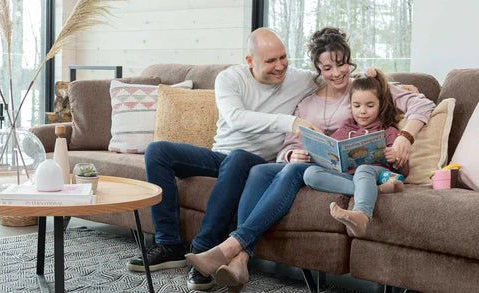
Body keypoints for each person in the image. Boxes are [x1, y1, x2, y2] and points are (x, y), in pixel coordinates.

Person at [185, 27, 435, 290]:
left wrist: (405, 136)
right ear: (317, 70)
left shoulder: (362, 90)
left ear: (350, 61)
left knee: (296, 171)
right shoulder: (306, 102)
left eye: (342, 64)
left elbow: (422, 103)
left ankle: (233, 246)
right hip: (313, 164)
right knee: (260, 171)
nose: (337, 73)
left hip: (342, 171)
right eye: (327, 68)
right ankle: (241, 259)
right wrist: (292, 154)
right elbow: (289, 144)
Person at [127, 27, 322, 291]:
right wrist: (292, 122)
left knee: (240, 158)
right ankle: (169, 244)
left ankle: (203, 252)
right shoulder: (229, 78)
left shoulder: (300, 79)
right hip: (221, 156)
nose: (280, 66)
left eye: (283, 57)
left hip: (258, 164)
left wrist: (373, 77)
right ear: (250, 61)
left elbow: (340, 78)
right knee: (157, 151)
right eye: (271, 61)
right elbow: (235, 117)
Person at [303, 67, 409, 238]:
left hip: (376, 172)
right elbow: (332, 151)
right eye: (356, 105)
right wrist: (317, 154)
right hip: (349, 177)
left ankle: (362, 215)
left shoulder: (388, 131)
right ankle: (374, 190)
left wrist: (395, 159)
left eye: (370, 105)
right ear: (350, 105)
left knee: (363, 169)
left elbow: (404, 171)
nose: (362, 111)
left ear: (381, 104)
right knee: (310, 174)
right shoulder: (346, 128)